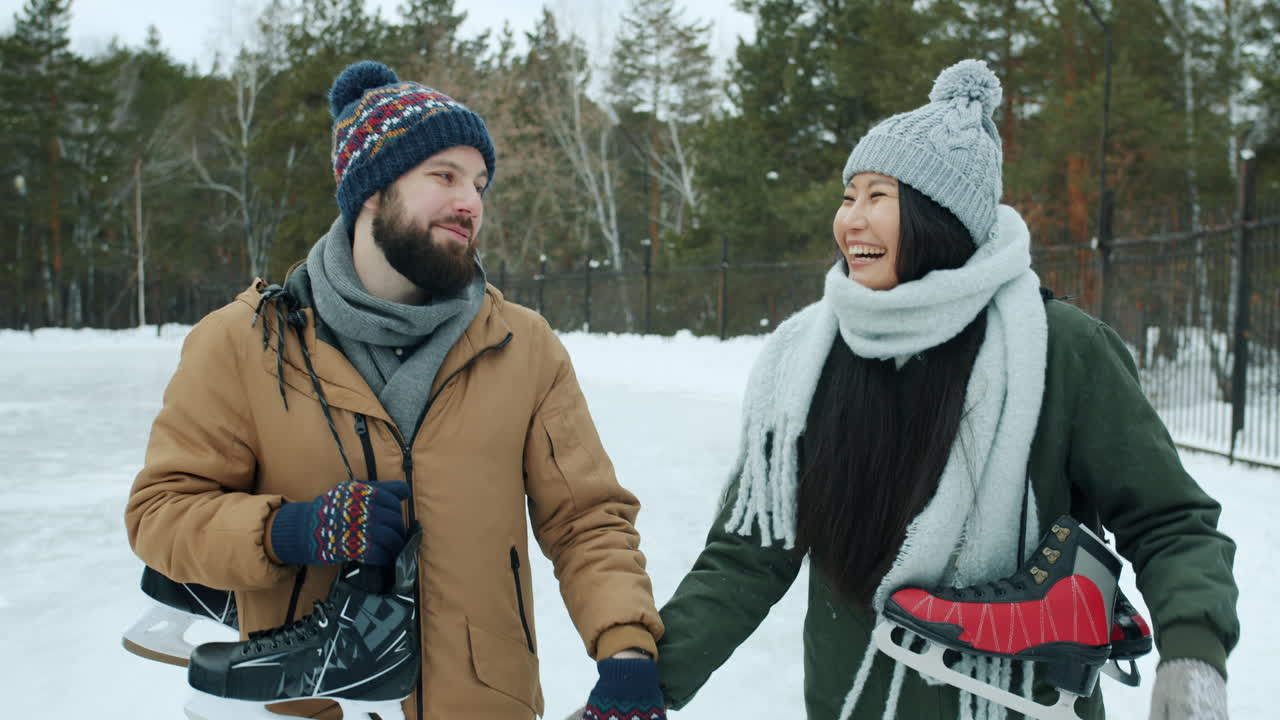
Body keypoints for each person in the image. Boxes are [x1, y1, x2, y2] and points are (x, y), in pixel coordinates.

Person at [654, 59, 1238, 720]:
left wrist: (1193, 653)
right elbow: (746, 556)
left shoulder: (1062, 349)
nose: (852, 221)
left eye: (879, 197)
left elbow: (1169, 520)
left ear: (939, 217)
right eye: (849, 196)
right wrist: (647, 685)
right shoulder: (807, 359)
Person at [126, 60, 666, 720]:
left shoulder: (524, 346)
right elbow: (160, 515)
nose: (471, 201)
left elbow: (587, 521)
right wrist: (290, 530)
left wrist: (627, 655)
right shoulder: (244, 342)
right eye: (443, 175)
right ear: (372, 191)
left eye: (479, 182)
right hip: (307, 704)